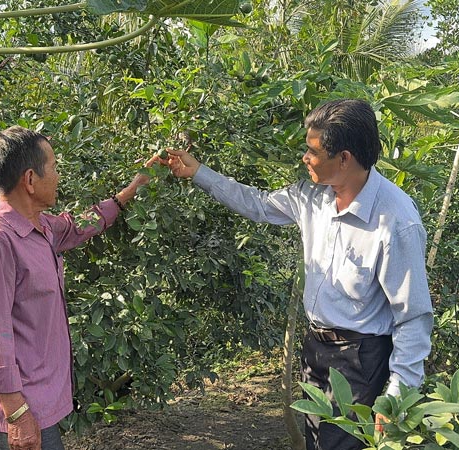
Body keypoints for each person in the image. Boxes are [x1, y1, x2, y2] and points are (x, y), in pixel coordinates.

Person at [162, 99, 433, 450]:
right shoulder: (312, 196)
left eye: (312, 151)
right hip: (316, 348)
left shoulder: (395, 221)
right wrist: (198, 172)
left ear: (344, 158)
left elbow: (413, 317)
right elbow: (258, 204)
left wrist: (396, 395)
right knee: (317, 441)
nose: (304, 158)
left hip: (360, 358)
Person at [0, 126, 158, 450]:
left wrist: (132, 189)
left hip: (40, 402)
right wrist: (17, 414)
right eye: (53, 167)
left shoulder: (41, 227)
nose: (57, 175)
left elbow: (80, 225)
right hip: (23, 409)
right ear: (30, 179)